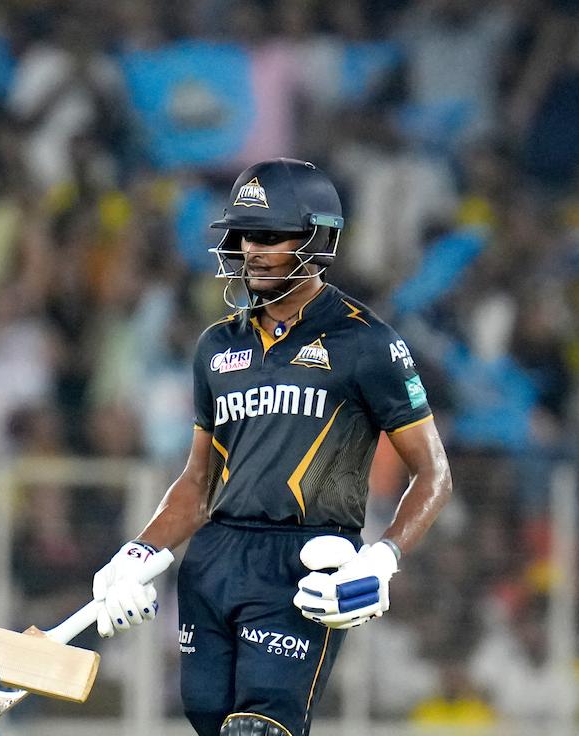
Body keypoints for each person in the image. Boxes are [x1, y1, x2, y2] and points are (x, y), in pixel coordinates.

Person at [90, 159, 453, 736]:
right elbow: (197, 484)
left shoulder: (367, 343)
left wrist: (382, 559)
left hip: (303, 563)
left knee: (259, 729)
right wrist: (136, 555)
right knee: (211, 720)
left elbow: (433, 474)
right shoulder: (215, 346)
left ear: (317, 238)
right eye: (242, 235)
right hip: (212, 562)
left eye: (267, 235)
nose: (249, 250)